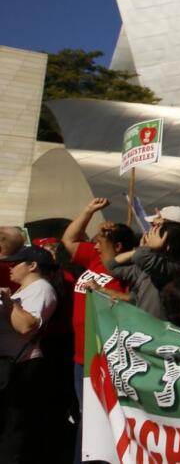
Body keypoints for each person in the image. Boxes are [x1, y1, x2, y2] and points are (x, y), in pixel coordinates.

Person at [59, 198, 132, 407]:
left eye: (101, 242)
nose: (95, 245)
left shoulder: (129, 270)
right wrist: (89, 210)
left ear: (118, 246)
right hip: (81, 356)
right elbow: (68, 241)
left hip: (105, 359)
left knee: (98, 417)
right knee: (85, 414)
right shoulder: (95, 257)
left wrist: (104, 291)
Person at [0, 245, 60, 463]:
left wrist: (8, 301)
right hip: (11, 365)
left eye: (16, 263)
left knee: (13, 429)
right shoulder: (27, 290)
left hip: (21, 368)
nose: (10, 267)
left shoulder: (42, 289)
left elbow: (26, 326)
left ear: (32, 265)